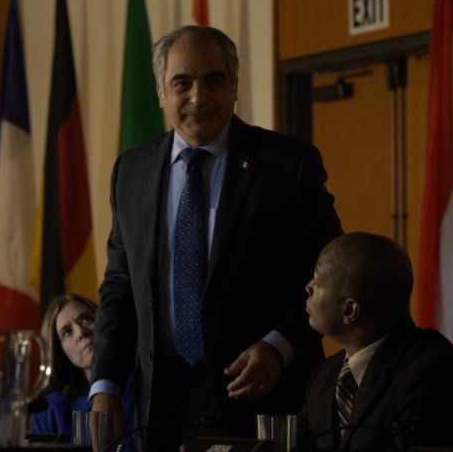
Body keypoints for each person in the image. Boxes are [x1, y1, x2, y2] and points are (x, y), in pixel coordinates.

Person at [90, 25, 343, 449]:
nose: (197, 97)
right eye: (181, 83)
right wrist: (105, 387)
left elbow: (327, 277)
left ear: (234, 86)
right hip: (161, 407)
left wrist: (278, 347)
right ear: (160, 93)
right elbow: (119, 287)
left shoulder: (287, 164)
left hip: (262, 399)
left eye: (213, 80)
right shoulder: (130, 172)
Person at [299, 232, 453, 451]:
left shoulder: (434, 370)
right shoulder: (326, 376)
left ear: (350, 309)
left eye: (318, 281)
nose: (308, 287)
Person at [30, 294, 136, 440]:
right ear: (60, 352)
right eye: (67, 332)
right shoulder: (50, 413)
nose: (81, 332)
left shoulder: (145, 388)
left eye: (86, 318)